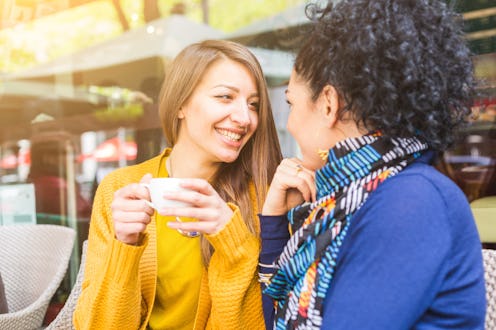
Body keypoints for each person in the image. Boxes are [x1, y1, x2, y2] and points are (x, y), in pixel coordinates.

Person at [259, 1, 487, 329]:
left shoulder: (412, 203)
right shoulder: (350, 198)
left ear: (328, 104)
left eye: (291, 103)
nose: (290, 124)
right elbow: (275, 317)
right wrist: (274, 221)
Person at [74, 39, 282, 329]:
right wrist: (124, 247)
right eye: (225, 97)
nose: (244, 118)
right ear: (181, 103)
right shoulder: (120, 189)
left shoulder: (262, 196)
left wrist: (233, 242)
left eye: (253, 104)